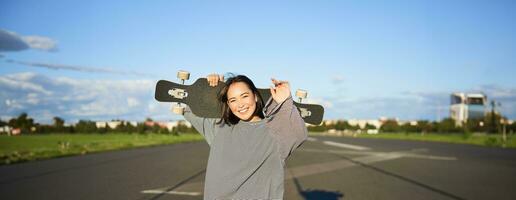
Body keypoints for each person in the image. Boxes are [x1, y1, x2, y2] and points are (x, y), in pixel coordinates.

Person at [181, 73, 308, 200]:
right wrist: (210, 91)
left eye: (244, 96)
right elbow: (188, 107)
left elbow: (298, 133)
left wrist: (285, 102)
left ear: (255, 96)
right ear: (229, 105)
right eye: (233, 100)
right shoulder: (220, 127)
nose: (240, 104)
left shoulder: (275, 132)